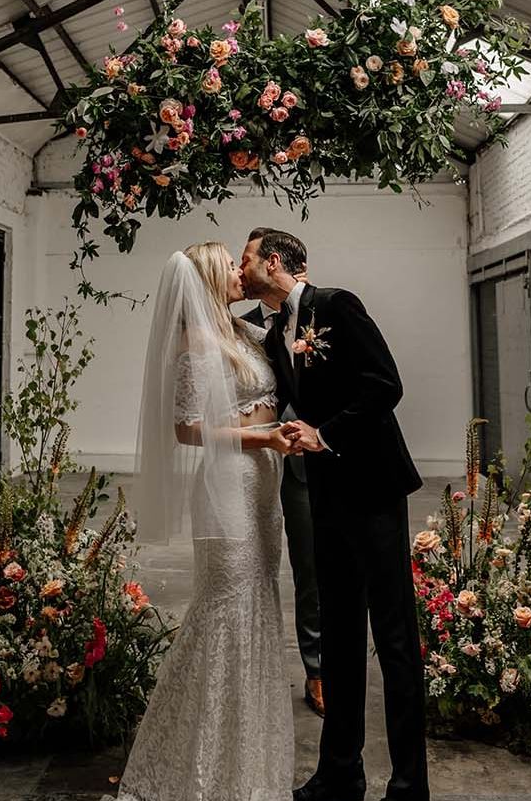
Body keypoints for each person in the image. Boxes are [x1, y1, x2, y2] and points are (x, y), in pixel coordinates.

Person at [240, 229, 429, 801]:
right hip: (324, 496)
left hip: (374, 489)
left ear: (274, 261)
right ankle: (340, 774)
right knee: (341, 635)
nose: (242, 270)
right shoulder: (275, 331)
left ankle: (408, 785)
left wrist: (324, 435)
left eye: (247, 259)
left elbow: (385, 385)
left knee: (394, 638)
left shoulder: (337, 305)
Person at [116, 243, 297, 801]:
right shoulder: (195, 342)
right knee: (226, 605)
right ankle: (202, 759)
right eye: (229, 265)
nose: (240, 271)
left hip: (263, 481)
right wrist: (263, 439)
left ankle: (247, 750)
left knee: (258, 598)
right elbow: (187, 428)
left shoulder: (241, 331)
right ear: (208, 278)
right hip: (229, 483)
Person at [239, 227, 324, 718]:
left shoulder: (316, 317)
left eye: (247, 258)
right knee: (251, 567)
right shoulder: (241, 326)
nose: (242, 267)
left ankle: (318, 669)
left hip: (302, 462)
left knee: (311, 567)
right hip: (250, 463)